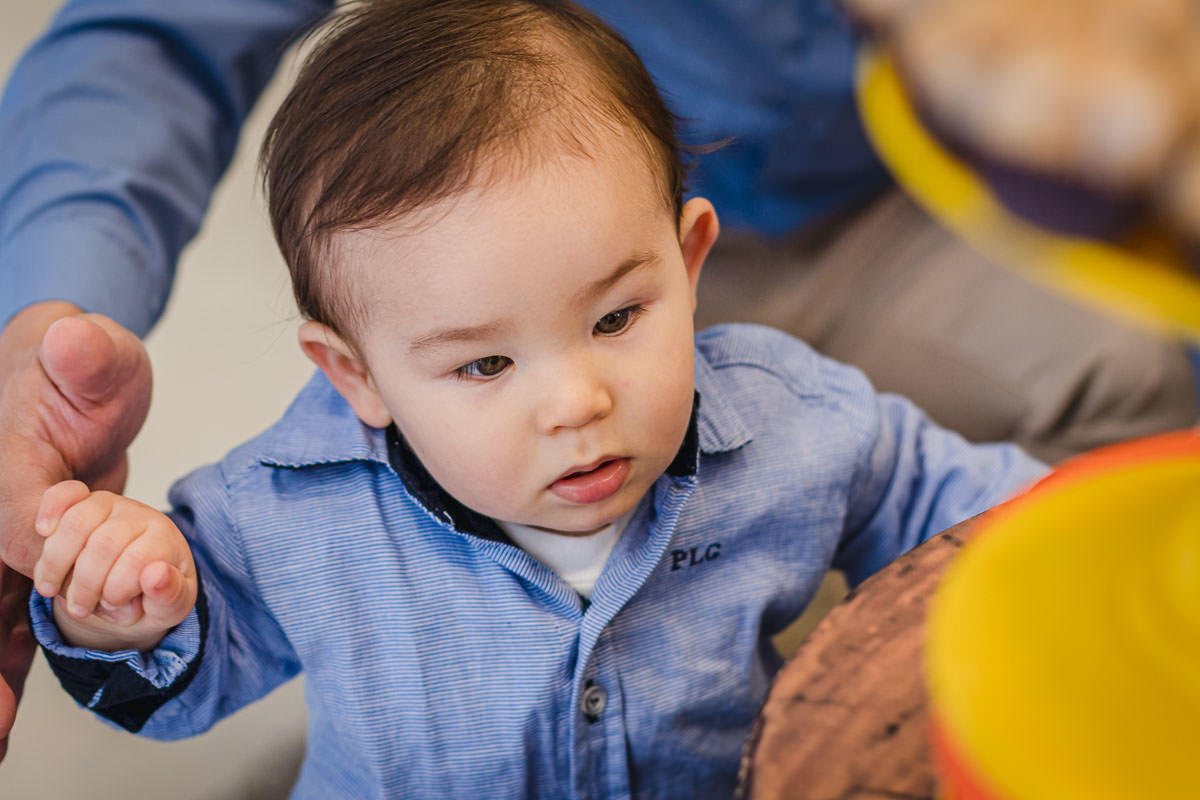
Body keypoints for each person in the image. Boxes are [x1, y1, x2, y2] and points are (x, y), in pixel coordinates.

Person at [1, 0, 1195, 761]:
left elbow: (967, 502)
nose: (576, 400)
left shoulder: (794, 419)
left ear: (690, 260)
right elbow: (180, 678)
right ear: (353, 373)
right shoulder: (283, 510)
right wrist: (124, 607)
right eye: (484, 361)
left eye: (618, 317)